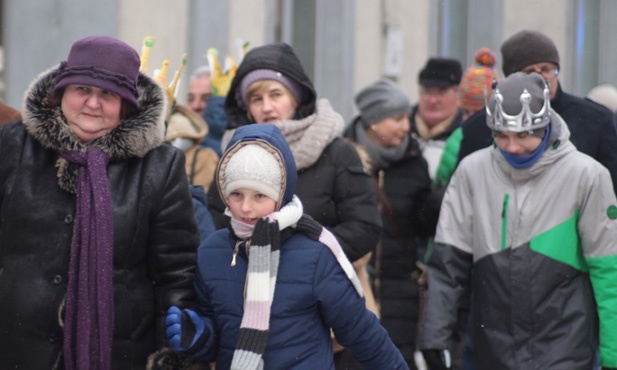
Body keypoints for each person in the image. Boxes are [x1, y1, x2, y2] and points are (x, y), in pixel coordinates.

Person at [0, 36, 200, 369]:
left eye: (108, 94)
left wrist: (173, 353)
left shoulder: (160, 167)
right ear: (61, 92)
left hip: (118, 353)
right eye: (82, 90)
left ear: (127, 103)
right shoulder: (13, 146)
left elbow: (176, 272)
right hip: (15, 348)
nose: (93, 103)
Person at [160, 123, 408, 369]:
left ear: (281, 194)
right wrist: (198, 336)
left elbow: (361, 333)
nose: (246, 207)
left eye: (259, 195)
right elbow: (221, 338)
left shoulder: (315, 253)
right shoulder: (212, 252)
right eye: (236, 194)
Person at [417, 72, 617, 370]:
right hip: (492, 349)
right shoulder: (472, 171)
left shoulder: (586, 175)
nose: (511, 147)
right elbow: (447, 265)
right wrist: (434, 336)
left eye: (523, 135)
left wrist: (613, 354)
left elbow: (608, 272)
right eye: (501, 135)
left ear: (545, 125)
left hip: (567, 349)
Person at [208, 42, 381, 276]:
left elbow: (364, 227)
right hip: (244, 284)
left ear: (297, 97)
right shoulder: (234, 156)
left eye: (276, 95)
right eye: (256, 99)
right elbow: (216, 223)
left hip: (320, 287)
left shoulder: (337, 152)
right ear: (247, 108)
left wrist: (304, 257)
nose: (266, 107)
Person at [344, 79, 439, 369]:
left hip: (401, 292)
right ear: (373, 122)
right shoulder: (342, 158)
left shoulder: (414, 162)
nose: (406, 126)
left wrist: (437, 203)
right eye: (397, 119)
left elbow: (423, 227)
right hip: (352, 287)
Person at [456, 29, 617, 194]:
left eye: (547, 69)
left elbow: (608, 190)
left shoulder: (596, 120)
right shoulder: (480, 126)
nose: (541, 78)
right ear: (512, 77)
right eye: (530, 72)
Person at [410, 57, 464, 180]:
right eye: (427, 92)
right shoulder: (402, 130)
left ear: (458, 96)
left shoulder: (465, 135)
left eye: (441, 93)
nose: (433, 100)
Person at [166, 104, 219, 190]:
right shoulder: (162, 159)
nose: (176, 142)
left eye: (182, 137)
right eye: (172, 139)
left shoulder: (206, 156)